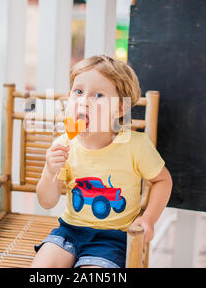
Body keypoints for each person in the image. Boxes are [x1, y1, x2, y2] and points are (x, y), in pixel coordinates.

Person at [30, 55, 173, 268]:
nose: (84, 101)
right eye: (79, 92)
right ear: (69, 97)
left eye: (98, 95)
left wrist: (149, 218)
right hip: (69, 230)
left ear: (120, 108)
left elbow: (163, 181)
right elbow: (47, 201)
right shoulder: (64, 144)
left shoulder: (135, 145)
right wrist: (50, 172)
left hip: (113, 238)